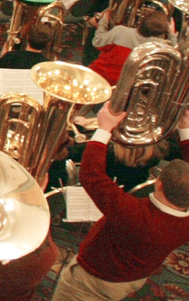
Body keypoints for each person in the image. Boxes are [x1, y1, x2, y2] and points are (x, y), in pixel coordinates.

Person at [49, 105, 189, 301]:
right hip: (135, 276)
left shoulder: (132, 212)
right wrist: (186, 129)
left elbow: (92, 175)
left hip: (94, 281)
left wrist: (104, 129)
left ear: (159, 184)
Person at [89, 9, 171, 85]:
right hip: (124, 84)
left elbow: (97, 42)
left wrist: (103, 21)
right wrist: (172, 34)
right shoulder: (158, 45)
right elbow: (175, 52)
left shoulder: (120, 31)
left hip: (98, 74)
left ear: (141, 21)